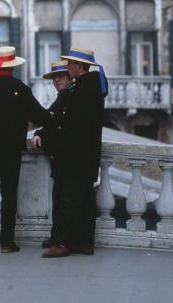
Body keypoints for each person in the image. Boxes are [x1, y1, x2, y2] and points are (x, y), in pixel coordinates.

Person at [0, 46, 53, 255]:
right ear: (13, 67)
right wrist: (55, 118)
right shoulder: (20, 89)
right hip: (10, 150)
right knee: (9, 194)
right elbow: (39, 115)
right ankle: (7, 242)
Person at [41, 47, 108, 258]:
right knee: (85, 201)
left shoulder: (81, 90)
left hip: (74, 156)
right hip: (85, 155)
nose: (68, 67)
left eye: (70, 64)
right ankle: (84, 242)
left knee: (69, 201)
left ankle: (62, 243)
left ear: (78, 66)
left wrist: (51, 141)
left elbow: (68, 125)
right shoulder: (89, 87)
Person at [31, 60, 73, 249]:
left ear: (70, 77)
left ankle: (61, 240)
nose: (56, 80)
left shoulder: (70, 97)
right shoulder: (61, 98)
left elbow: (58, 125)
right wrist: (39, 133)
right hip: (60, 159)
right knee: (59, 198)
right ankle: (57, 237)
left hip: (68, 157)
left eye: (61, 76)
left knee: (65, 200)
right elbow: (49, 122)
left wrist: (43, 133)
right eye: (54, 77)